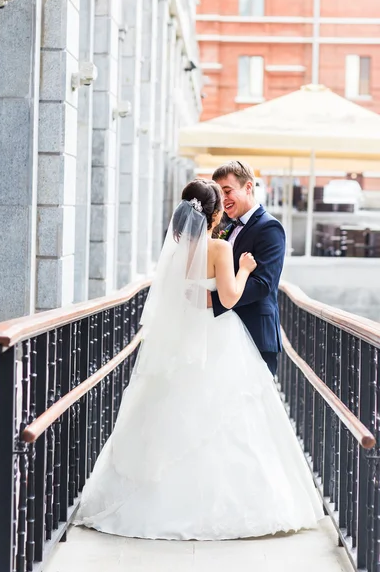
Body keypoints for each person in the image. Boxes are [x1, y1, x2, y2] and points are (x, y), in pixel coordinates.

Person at [74, 179, 323, 540]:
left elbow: (180, 296)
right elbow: (232, 295)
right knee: (225, 412)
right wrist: (245, 268)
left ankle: (150, 500)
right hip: (218, 337)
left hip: (182, 339)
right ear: (215, 212)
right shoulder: (220, 248)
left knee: (172, 408)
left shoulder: (177, 252)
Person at [210, 161, 285, 377]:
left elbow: (263, 284)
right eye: (218, 193)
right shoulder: (226, 225)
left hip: (256, 334)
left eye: (227, 191)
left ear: (248, 187)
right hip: (227, 333)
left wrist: (213, 300)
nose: (223, 200)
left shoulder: (270, 227)